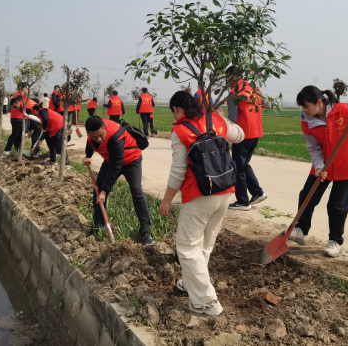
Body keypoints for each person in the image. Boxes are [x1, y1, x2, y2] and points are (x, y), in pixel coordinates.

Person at [158, 91, 244, 316]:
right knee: (205, 243)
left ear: (176, 109)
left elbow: (178, 171)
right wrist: (221, 116)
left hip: (199, 196)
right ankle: (190, 285)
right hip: (225, 191)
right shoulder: (215, 119)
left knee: (187, 247)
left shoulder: (180, 130)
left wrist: (166, 200)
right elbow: (240, 135)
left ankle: (206, 302)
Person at [287, 86, 348, 258]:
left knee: (337, 206)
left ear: (318, 103)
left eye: (306, 106)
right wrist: (319, 167)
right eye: (301, 107)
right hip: (324, 165)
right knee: (307, 196)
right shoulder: (307, 122)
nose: (304, 110)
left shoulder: (344, 110)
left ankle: (335, 241)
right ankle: (301, 230)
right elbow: (313, 148)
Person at [83, 116, 153, 245]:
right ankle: (99, 225)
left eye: (101, 135)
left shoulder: (116, 136)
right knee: (97, 189)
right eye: (95, 136)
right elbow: (90, 142)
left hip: (131, 160)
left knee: (136, 191)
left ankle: (145, 231)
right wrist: (88, 155)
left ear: (104, 128)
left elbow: (115, 167)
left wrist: (105, 191)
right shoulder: (92, 131)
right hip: (110, 160)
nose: (99, 139)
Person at [227, 79, 267, 210]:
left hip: (242, 134)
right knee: (243, 164)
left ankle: (242, 201)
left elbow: (233, 117)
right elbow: (263, 105)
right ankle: (257, 192)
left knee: (238, 167)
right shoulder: (254, 88)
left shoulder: (235, 92)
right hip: (255, 133)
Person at [4, 83, 30, 155]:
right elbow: (19, 106)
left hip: (19, 117)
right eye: (26, 88)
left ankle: (17, 150)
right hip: (17, 118)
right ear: (22, 88)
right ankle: (7, 149)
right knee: (15, 134)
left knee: (19, 135)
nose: (26, 89)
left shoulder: (21, 96)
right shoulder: (19, 96)